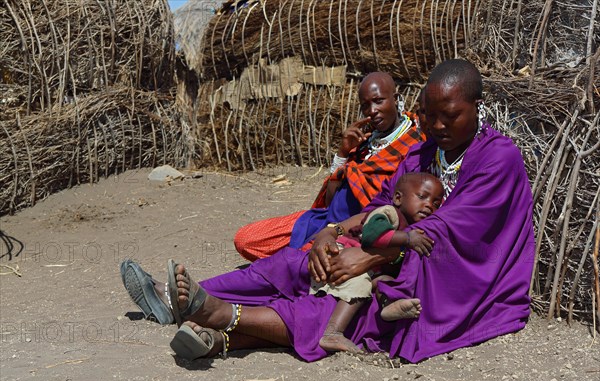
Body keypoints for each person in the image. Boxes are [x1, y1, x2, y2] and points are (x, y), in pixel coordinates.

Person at [121, 59, 535, 363]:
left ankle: (217, 314)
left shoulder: (497, 158)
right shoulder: (422, 150)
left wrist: (369, 255)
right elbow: (379, 204)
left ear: (477, 106)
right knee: (297, 263)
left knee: (348, 303)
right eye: (432, 117)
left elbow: (452, 227)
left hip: (447, 276)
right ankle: (191, 307)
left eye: (451, 116)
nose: (440, 127)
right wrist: (332, 234)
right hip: (385, 242)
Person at [234, 72, 425, 261]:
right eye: (365, 106)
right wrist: (343, 153)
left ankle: (291, 262)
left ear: (396, 98)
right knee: (246, 240)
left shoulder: (414, 144)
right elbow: (330, 199)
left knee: (300, 264)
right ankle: (292, 258)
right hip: (325, 220)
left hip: (356, 232)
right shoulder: (366, 142)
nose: (372, 111)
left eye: (378, 101)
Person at [315, 172, 443, 353]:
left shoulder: (407, 223)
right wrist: (407, 238)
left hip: (370, 270)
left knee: (385, 281)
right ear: (398, 198)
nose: (429, 205)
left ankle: (388, 307)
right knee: (359, 286)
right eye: (422, 197)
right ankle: (333, 332)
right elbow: (372, 235)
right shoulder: (388, 213)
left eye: (436, 204)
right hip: (343, 259)